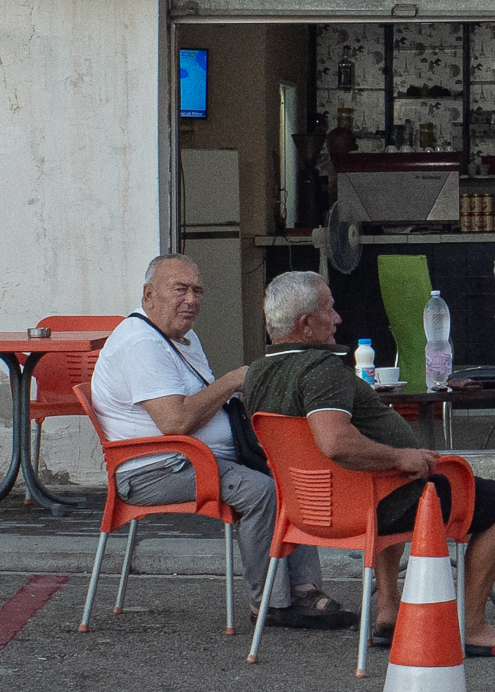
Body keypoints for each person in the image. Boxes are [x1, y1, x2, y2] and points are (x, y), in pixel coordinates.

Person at [246, 271, 495, 657]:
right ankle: (473, 628)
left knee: (382, 480)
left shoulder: (257, 374)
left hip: (305, 510)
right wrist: (401, 456)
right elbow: (335, 442)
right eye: (329, 309)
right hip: (370, 507)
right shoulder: (321, 369)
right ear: (306, 325)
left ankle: (389, 611)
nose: (338, 318)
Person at [89, 253, 345, 628]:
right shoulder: (139, 343)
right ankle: (270, 602)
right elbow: (176, 422)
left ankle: (303, 589)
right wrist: (233, 380)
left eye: (197, 291)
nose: (191, 300)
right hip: (155, 468)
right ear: (149, 295)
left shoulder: (182, 338)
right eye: (180, 289)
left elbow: (202, 405)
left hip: (194, 459)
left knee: (291, 474)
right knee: (261, 490)